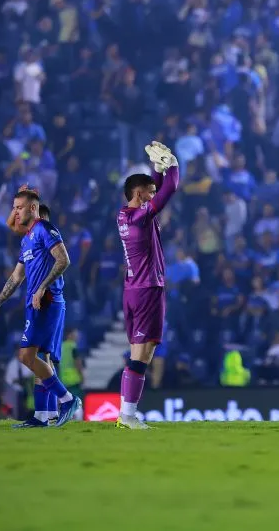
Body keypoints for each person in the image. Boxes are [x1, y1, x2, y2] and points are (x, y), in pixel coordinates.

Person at [0, 188, 80, 428]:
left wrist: (42, 287)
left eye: (19, 208)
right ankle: (42, 415)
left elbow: (64, 259)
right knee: (40, 359)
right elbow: (16, 277)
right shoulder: (26, 240)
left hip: (47, 300)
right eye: (14, 208)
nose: (15, 213)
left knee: (26, 356)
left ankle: (68, 399)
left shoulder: (44, 229)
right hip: (34, 302)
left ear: (33, 208)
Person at [114, 141, 180, 429]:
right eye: (149, 193)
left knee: (138, 353)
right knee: (142, 355)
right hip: (147, 289)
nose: (154, 195)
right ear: (139, 195)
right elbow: (169, 190)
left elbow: (157, 189)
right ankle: (128, 416)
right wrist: (173, 167)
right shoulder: (141, 218)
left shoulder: (125, 214)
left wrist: (156, 169)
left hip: (132, 290)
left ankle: (125, 414)